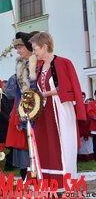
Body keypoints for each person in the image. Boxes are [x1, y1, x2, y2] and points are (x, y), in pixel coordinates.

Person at [29, 31, 86, 190]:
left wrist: (45, 94)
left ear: (45, 46)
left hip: (60, 108)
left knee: (62, 143)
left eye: (35, 49)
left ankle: (64, 182)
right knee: (44, 144)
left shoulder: (63, 63)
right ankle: (46, 180)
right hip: (45, 109)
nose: (34, 53)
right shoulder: (39, 66)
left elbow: (68, 87)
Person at [5, 31, 38, 180]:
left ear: (29, 46)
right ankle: (26, 175)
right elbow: (12, 93)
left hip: (37, 109)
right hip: (22, 108)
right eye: (16, 48)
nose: (18, 51)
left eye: (20, 47)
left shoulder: (37, 64)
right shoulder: (19, 67)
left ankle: (38, 175)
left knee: (35, 143)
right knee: (24, 144)